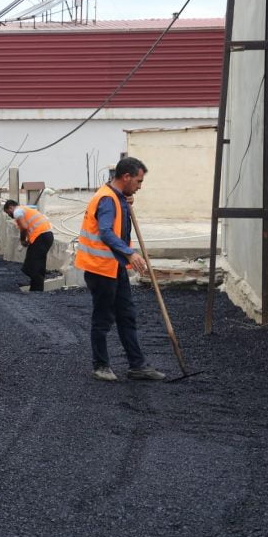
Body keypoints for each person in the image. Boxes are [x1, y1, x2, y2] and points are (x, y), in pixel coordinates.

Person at [74, 157, 165, 382]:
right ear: (126, 177)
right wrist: (130, 253)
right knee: (103, 317)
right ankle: (101, 365)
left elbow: (118, 210)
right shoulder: (106, 200)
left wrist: (126, 200)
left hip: (115, 267)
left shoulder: (115, 196)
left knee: (127, 315)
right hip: (101, 268)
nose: (140, 186)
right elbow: (106, 232)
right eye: (138, 181)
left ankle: (137, 366)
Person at [3, 199, 54, 292]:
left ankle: (36, 290)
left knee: (33, 264)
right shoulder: (25, 209)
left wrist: (22, 239)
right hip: (46, 236)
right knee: (37, 264)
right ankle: (36, 289)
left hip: (41, 237)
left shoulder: (17, 211)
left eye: (8, 212)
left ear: (10, 207)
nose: (9, 215)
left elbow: (24, 227)